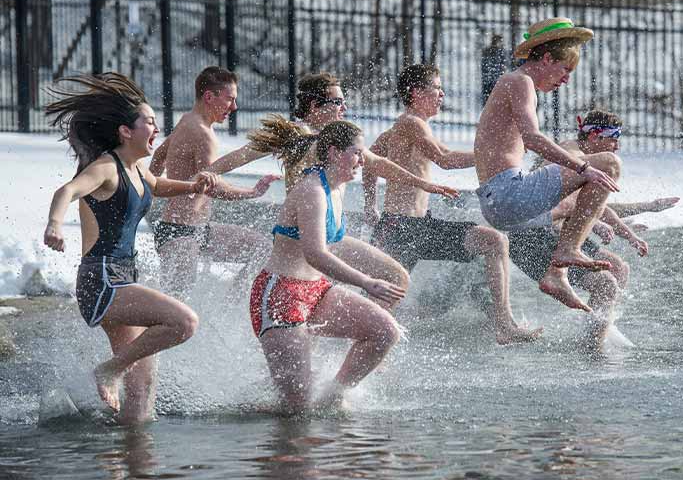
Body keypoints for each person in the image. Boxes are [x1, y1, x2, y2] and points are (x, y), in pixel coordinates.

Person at [42, 73, 218, 424]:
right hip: (102, 280)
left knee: (143, 383)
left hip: (122, 277)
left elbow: (160, 185)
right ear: (126, 130)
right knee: (184, 322)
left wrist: (194, 185)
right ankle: (107, 371)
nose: (157, 128)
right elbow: (67, 191)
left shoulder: (134, 167)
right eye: (150, 122)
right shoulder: (106, 167)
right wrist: (54, 225)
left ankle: (131, 458)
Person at [209, 72, 459, 308]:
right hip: (302, 241)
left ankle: (364, 336)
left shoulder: (340, 139)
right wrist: (208, 173)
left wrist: (424, 184)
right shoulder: (296, 136)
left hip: (333, 236)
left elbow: (379, 163)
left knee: (396, 276)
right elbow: (242, 155)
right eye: (338, 102)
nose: (344, 108)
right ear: (316, 106)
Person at [365, 64, 542, 344]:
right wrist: (494, 154)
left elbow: (370, 158)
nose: (442, 94)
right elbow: (444, 159)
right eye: (436, 88)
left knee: (493, 241)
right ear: (415, 92)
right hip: (399, 228)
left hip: (416, 226)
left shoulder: (398, 128)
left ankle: (503, 322)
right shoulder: (410, 123)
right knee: (378, 303)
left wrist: (369, 204)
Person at [249, 120, 405, 413]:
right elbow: (316, 254)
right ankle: (232, 416)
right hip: (280, 296)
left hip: (316, 291)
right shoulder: (312, 191)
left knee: (384, 331)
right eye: (357, 153)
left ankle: (334, 395)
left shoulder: (336, 189)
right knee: (297, 411)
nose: (362, 161)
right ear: (333, 153)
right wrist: (366, 282)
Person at [474, 16, 622, 314]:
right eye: (565, 69)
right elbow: (532, 137)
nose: (566, 79)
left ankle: (559, 270)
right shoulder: (520, 81)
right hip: (508, 195)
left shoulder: (513, 84)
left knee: (580, 194)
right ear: (545, 58)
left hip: (499, 204)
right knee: (608, 163)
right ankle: (564, 257)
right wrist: (582, 168)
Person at [507, 110, 680, 347]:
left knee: (619, 268)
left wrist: (646, 209)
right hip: (530, 238)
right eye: (614, 138)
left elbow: (595, 207)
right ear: (594, 136)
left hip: (557, 235)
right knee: (606, 284)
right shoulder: (569, 156)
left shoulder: (584, 165)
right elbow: (561, 206)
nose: (616, 147)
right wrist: (604, 225)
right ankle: (592, 349)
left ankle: (597, 325)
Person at [148, 66, 281, 298]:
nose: (234, 107)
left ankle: (230, 303)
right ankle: (229, 303)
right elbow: (211, 186)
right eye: (230, 99)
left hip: (195, 230)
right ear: (209, 97)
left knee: (263, 249)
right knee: (176, 306)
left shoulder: (187, 121)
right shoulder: (203, 134)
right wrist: (252, 192)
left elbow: (159, 155)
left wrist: (148, 189)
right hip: (180, 234)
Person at [481, 34, 508, 106]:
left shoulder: (500, 51)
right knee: (489, 99)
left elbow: (503, 65)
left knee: (493, 100)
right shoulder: (491, 51)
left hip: (494, 78)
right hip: (490, 78)